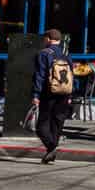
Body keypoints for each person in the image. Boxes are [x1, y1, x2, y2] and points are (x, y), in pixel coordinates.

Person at [31, 29, 73, 164]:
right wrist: (71, 93)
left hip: (48, 93)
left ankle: (52, 148)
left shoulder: (43, 53)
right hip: (64, 93)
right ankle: (50, 152)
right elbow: (72, 75)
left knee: (41, 125)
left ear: (48, 39)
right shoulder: (66, 55)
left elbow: (40, 76)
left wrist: (36, 94)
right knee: (57, 123)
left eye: (45, 39)